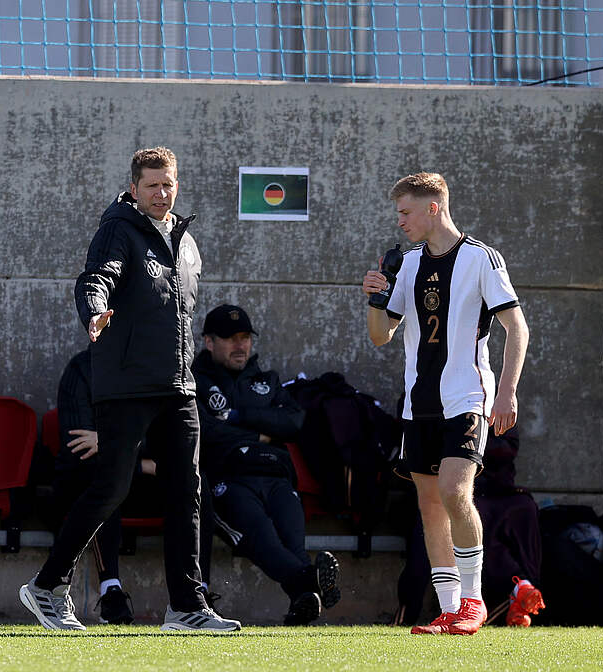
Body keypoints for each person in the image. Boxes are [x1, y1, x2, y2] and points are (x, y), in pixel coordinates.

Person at [20, 147, 239, 632]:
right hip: (125, 386)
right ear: (135, 189)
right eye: (152, 185)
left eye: (169, 184)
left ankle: (186, 606)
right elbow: (97, 277)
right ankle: (47, 584)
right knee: (112, 487)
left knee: (188, 491)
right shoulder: (118, 229)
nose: (162, 193)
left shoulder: (186, 243)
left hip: (179, 386)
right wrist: (95, 309)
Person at [362, 172, 529, 636]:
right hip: (419, 404)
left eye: (406, 212)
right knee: (430, 505)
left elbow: (518, 329)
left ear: (433, 208)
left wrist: (508, 391)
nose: (400, 222)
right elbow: (381, 336)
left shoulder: (481, 258)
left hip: (467, 397)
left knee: (456, 491)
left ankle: (474, 602)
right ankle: (449, 608)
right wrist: (376, 297)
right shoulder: (408, 264)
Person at [192, 304, 342, 625]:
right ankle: (310, 582)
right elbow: (204, 431)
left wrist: (237, 417)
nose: (240, 345)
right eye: (231, 338)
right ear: (209, 342)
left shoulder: (266, 380)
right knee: (264, 538)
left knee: (293, 543)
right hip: (229, 480)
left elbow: (293, 422)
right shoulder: (196, 382)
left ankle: (302, 599)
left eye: (245, 337)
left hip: (276, 475)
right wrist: (262, 432)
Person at [53, 347, 160, 624]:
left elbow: (168, 438)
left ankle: (197, 596)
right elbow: (80, 446)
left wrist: (106, 440)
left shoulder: (153, 371)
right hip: (86, 480)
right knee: (107, 479)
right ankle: (111, 590)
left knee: (197, 486)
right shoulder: (81, 370)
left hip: (141, 480)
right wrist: (141, 460)